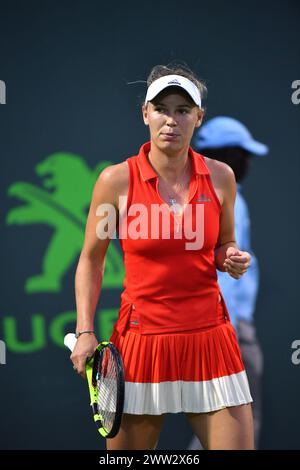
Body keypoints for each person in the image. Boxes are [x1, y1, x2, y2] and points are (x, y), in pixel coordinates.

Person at [70, 64, 254, 450]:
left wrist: (230, 257)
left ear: (198, 118)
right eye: (161, 108)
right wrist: (86, 330)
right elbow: (92, 260)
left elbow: (223, 245)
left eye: (183, 110)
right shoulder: (115, 181)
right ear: (145, 114)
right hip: (142, 343)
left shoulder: (221, 177)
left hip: (210, 340)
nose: (171, 120)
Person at [188, 116, 268, 449]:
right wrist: (227, 330)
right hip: (226, 329)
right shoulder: (208, 198)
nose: (248, 162)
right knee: (235, 423)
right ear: (219, 157)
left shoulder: (227, 196)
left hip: (227, 326)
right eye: (240, 154)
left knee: (227, 423)